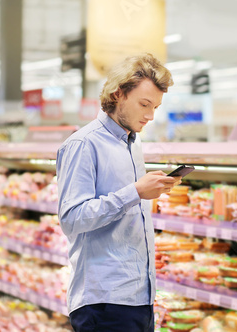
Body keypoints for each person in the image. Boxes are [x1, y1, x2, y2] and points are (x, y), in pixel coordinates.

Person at [56, 53, 179, 332]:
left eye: (156, 107)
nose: (149, 115)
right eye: (144, 104)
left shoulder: (132, 143)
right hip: (104, 302)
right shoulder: (83, 145)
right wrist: (134, 192)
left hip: (140, 297)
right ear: (118, 94)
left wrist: (148, 191)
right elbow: (71, 219)